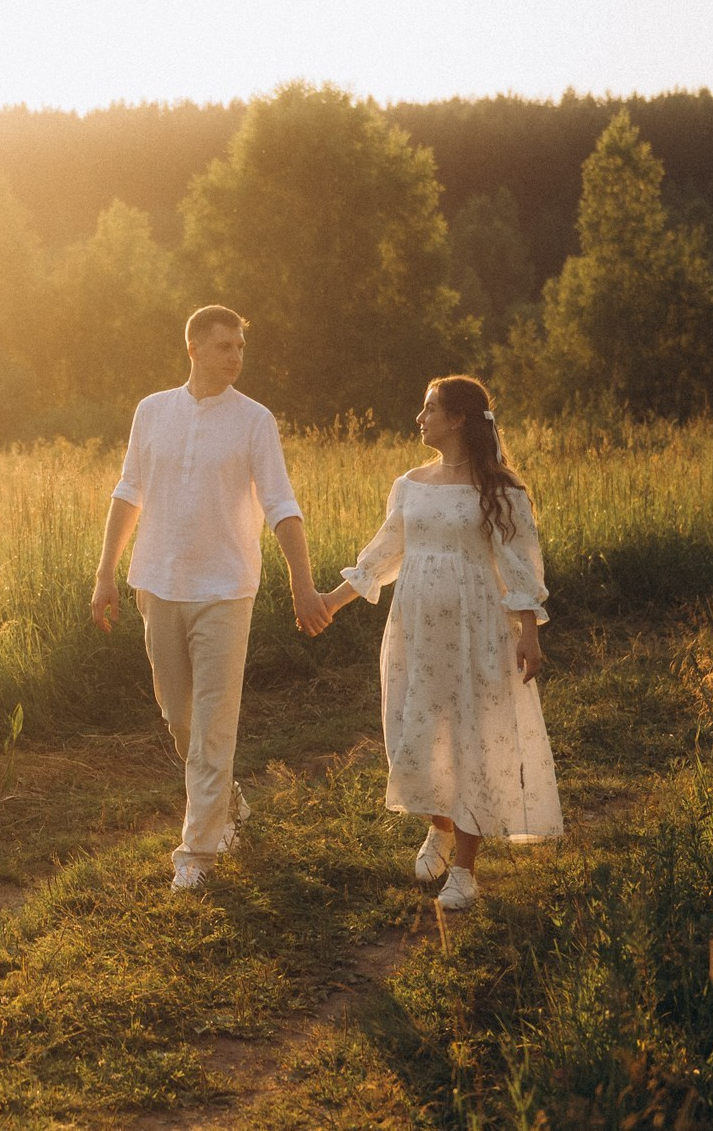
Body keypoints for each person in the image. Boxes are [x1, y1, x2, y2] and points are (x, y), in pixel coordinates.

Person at [92, 305, 330, 891]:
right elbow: (129, 490)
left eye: (241, 347)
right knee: (180, 721)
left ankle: (196, 853)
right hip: (158, 584)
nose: (237, 357)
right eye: (225, 346)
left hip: (226, 589)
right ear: (194, 348)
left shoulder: (255, 420)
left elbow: (280, 503)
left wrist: (303, 582)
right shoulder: (152, 411)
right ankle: (230, 803)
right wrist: (105, 573)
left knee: (214, 725)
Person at [317, 374, 560, 910]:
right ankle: (439, 827)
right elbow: (382, 556)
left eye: (430, 409)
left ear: (457, 420)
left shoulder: (500, 489)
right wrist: (330, 602)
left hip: (477, 626)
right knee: (416, 730)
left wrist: (528, 633)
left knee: (472, 734)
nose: (420, 418)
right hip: (416, 627)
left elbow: (521, 567)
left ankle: (466, 872)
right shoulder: (409, 483)